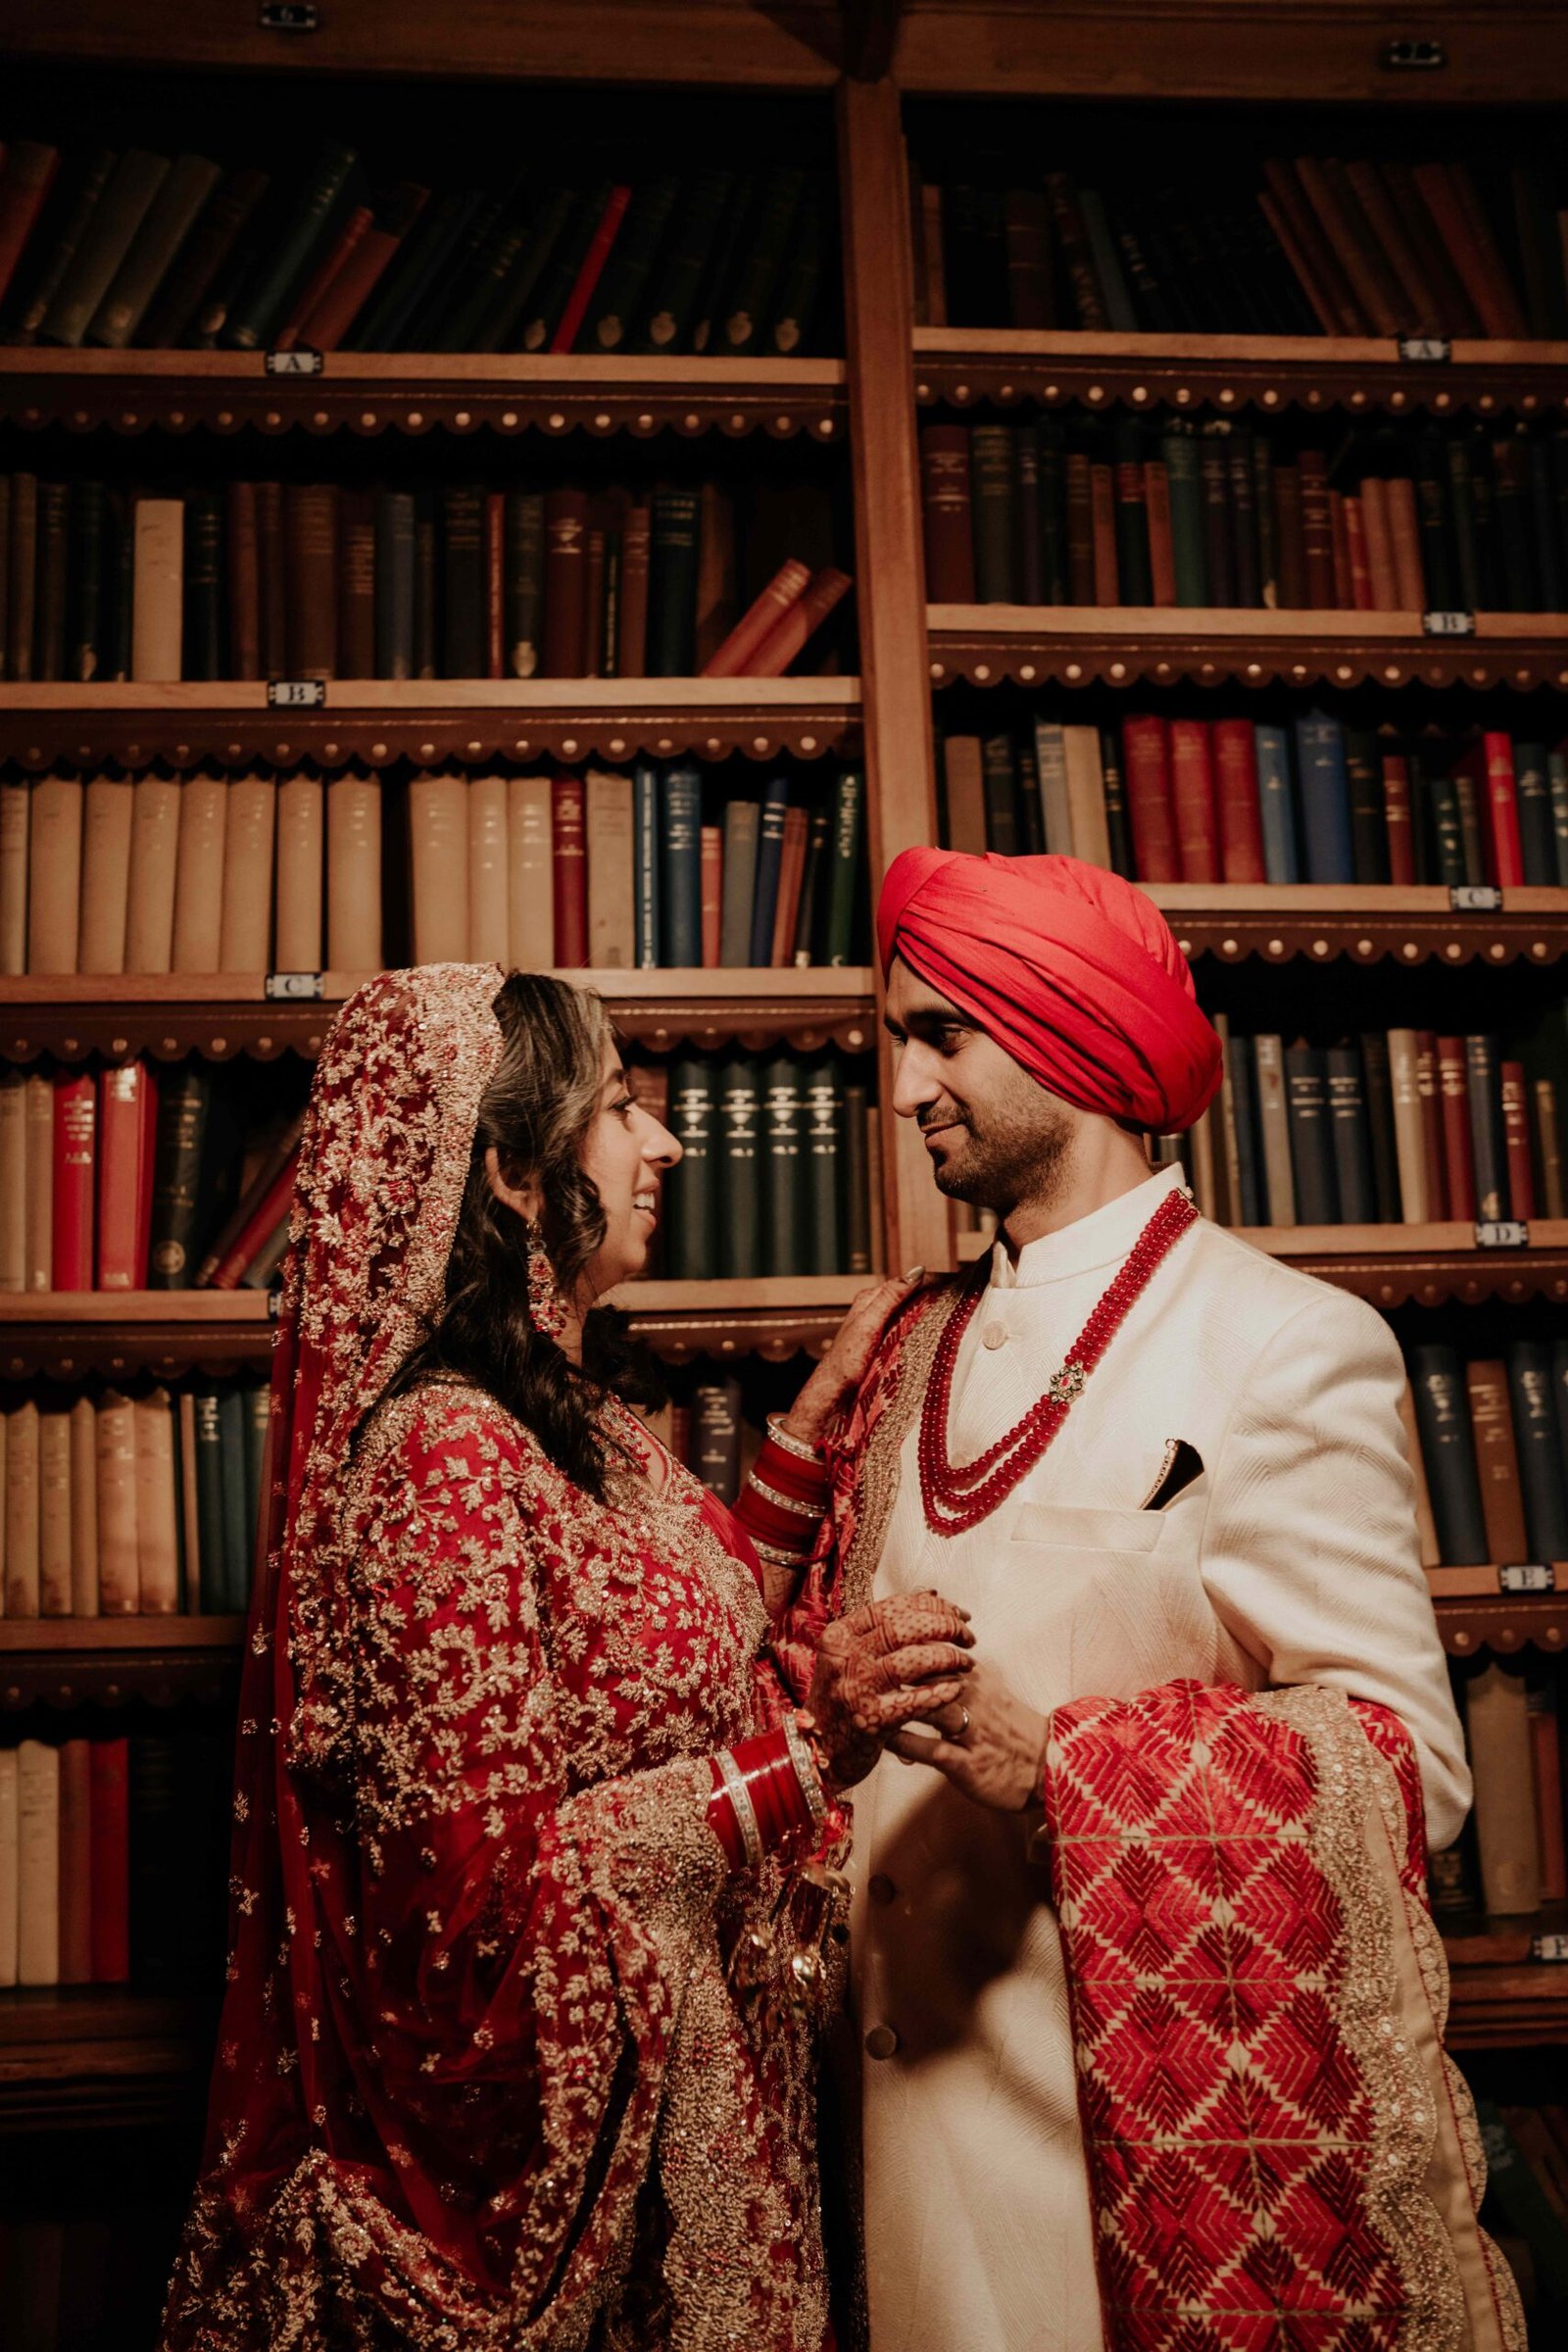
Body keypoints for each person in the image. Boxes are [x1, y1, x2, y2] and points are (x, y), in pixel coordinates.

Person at [159, 960, 972, 2352]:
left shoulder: (567, 1425)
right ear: (513, 1173)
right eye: (620, 1107)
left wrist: (804, 1438)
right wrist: (806, 1754)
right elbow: (477, 1931)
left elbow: (665, 1649)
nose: (667, 1142)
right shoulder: (439, 1461)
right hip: (591, 2243)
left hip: (726, 2132)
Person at [772, 850, 1525, 2352]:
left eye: (939, 1036)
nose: (903, 1087)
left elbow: (1411, 1770)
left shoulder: (1282, 1344)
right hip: (865, 2187)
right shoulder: (907, 1350)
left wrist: (1057, 1766)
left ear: (1064, 1030)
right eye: (898, 1039)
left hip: (1109, 2216)